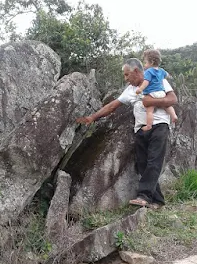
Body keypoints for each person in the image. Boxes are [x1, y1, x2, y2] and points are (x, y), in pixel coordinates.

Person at [76, 58, 177, 209]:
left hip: (159, 125)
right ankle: (157, 201)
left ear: (136, 71)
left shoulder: (157, 79)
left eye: (127, 75)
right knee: (142, 164)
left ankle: (144, 196)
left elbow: (172, 99)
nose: (126, 78)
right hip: (141, 129)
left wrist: (151, 102)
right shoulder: (130, 90)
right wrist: (92, 117)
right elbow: (111, 106)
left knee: (154, 161)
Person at [136, 49, 178, 131]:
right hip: (161, 92)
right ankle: (173, 115)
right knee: (167, 106)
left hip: (152, 93)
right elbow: (168, 76)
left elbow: (146, 82)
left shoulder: (148, 72)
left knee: (149, 111)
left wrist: (140, 89)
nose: (144, 65)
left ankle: (148, 125)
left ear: (151, 62)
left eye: (145, 62)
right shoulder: (161, 71)